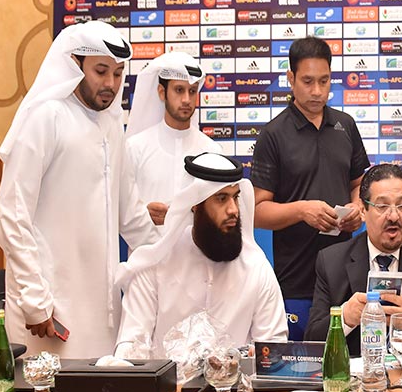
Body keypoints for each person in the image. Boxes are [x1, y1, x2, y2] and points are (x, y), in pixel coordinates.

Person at [0, 21, 158, 357]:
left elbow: (132, 217)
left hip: (102, 309)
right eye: (100, 71)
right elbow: (12, 215)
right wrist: (34, 297)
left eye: (118, 73)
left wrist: (175, 260)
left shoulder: (112, 125)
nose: (110, 84)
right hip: (49, 307)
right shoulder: (46, 117)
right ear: (74, 64)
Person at [251, 36, 369, 340]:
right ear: (290, 79)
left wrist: (357, 208)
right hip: (296, 280)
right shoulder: (273, 134)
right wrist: (302, 211)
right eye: (307, 81)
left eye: (324, 81)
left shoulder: (346, 125)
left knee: (348, 362)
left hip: (346, 278)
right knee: (301, 361)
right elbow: (257, 211)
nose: (317, 91)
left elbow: (359, 184)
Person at [115, 152, 288, 358]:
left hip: (236, 379)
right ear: (195, 204)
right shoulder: (156, 263)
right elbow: (131, 347)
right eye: (221, 199)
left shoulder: (256, 267)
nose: (233, 210)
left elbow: (273, 350)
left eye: (235, 197)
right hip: (166, 379)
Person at [304, 164, 402, 355]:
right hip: (359, 370)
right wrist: (345, 318)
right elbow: (311, 341)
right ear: (363, 211)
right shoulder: (332, 261)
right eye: (382, 206)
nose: (394, 216)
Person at [124, 52, 221, 227]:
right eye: (179, 90)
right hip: (146, 244)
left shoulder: (211, 151)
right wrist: (144, 215)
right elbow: (122, 211)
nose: (186, 100)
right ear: (162, 93)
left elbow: (218, 212)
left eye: (192, 91)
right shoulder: (135, 147)